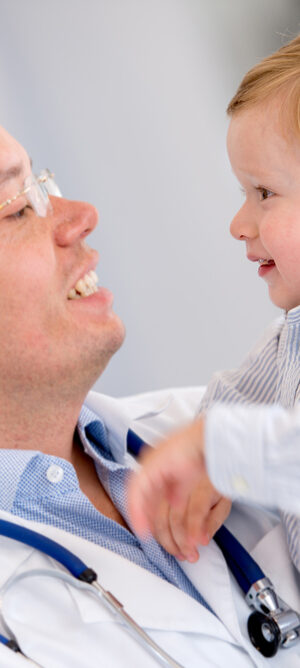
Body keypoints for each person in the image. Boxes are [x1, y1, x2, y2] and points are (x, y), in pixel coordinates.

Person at [0, 44, 299, 668]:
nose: (83, 216)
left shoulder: (209, 430)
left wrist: (229, 447)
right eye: (16, 208)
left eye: (42, 185)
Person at [127, 33, 300, 578]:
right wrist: (205, 469)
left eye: (264, 193)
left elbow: (231, 438)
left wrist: (220, 449)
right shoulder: (286, 343)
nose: (238, 224)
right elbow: (228, 406)